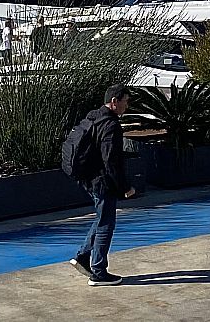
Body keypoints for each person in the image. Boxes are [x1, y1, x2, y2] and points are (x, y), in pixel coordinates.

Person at [70, 85, 135, 286]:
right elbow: (111, 161)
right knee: (106, 224)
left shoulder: (94, 117)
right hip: (102, 181)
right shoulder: (111, 125)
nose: (127, 105)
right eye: (125, 101)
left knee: (101, 218)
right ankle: (98, 271)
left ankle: (82, 257)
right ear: (114, 102)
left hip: (88, 178)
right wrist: (124, 187)